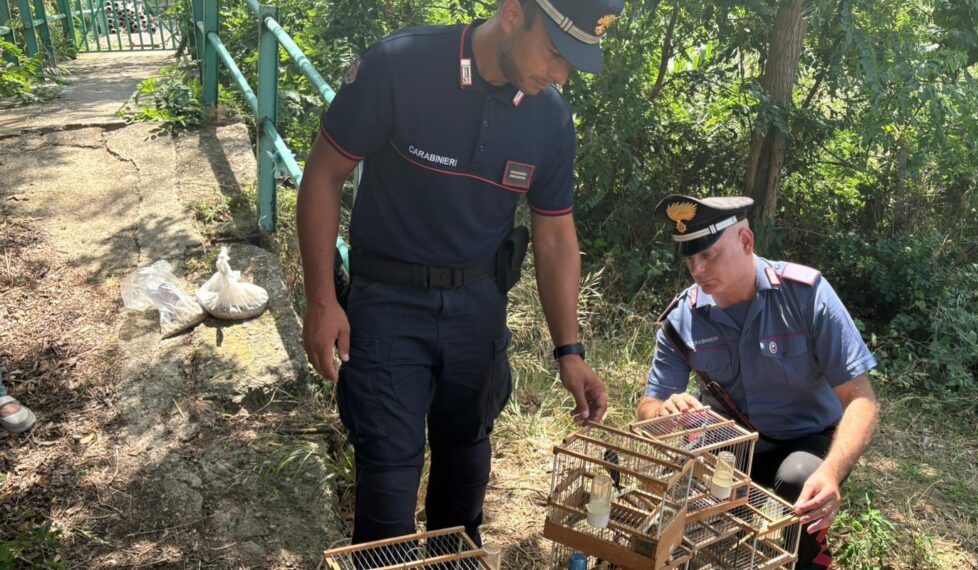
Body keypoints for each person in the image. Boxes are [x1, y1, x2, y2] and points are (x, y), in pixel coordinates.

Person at [296, 0, 624, 546]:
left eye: (574, 62)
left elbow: (555, 235)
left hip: (479, 308)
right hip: (387, 304)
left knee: (465, 482)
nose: (561, 74)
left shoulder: (550, 118)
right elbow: (323, 175)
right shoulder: (400, 65)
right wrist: (321, 300)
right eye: (555, 52)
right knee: (387, 493)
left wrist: (570, 351)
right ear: (514, 14)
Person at [637, 194, 880, 570]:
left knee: (801, 479)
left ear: (746, 241)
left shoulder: (805, 295)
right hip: (726, 444)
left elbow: (860, 399)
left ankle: (806, 558)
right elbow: (649, 406)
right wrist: (665, 410)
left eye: (710, 255)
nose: (698, 270)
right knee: (683, 496)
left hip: (802, 439)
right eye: (690, 259)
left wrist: (831, 471)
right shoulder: (682, 318)